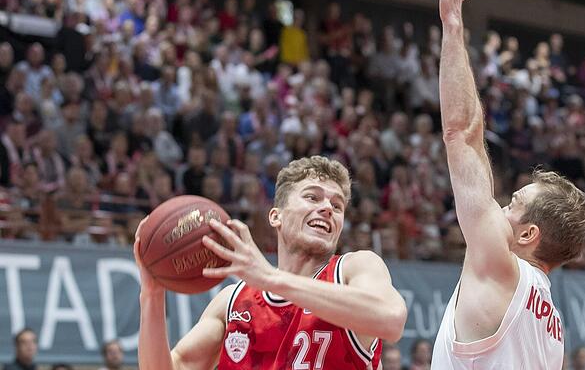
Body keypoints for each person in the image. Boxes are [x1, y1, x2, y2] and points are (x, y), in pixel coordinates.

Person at [431, 0, 585, 370]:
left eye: (512, 205)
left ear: (528, 236)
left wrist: (452, 25)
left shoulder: (501, 268)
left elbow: (461, 134)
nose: (500, 206)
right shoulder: (551, 323)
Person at [135, 155, 407, 369]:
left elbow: (391, 319)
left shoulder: (353, 268)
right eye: (312, 197)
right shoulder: (233, 301)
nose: (327, 208)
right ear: (276, 216)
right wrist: (152, 295)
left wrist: (270, 278)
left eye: (337, 206)